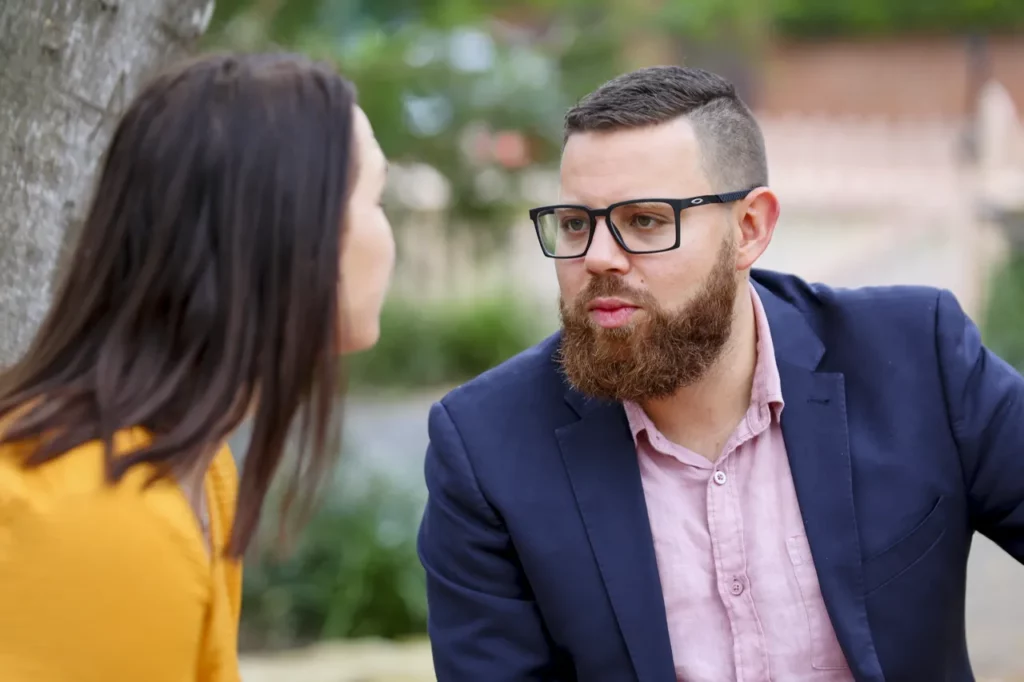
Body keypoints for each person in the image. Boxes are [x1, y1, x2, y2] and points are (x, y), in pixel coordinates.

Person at [417, 65, 1024, 682]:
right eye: (576, 223)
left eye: (644, 220)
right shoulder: (487, 446)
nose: (597, 256)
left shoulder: (917, 356)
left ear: (749, 229)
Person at [0, 52, 394, 682]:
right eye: (377, 198)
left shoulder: (198, 466)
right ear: (292, 232)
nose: (386, 233)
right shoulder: (101, 514)